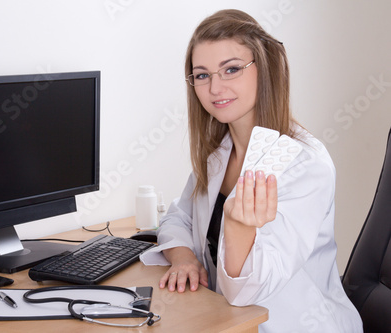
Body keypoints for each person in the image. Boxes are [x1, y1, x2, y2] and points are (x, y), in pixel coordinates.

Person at [140, 9, 363, 332]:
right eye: (202, 75)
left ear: (265, 68)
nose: (215, 87)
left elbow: (249, 290)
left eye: (230, 69)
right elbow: (179, 217)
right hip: (227, 319)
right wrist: (183, 257)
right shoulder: (219, 152)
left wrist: (238, 227)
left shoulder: (305, 165)